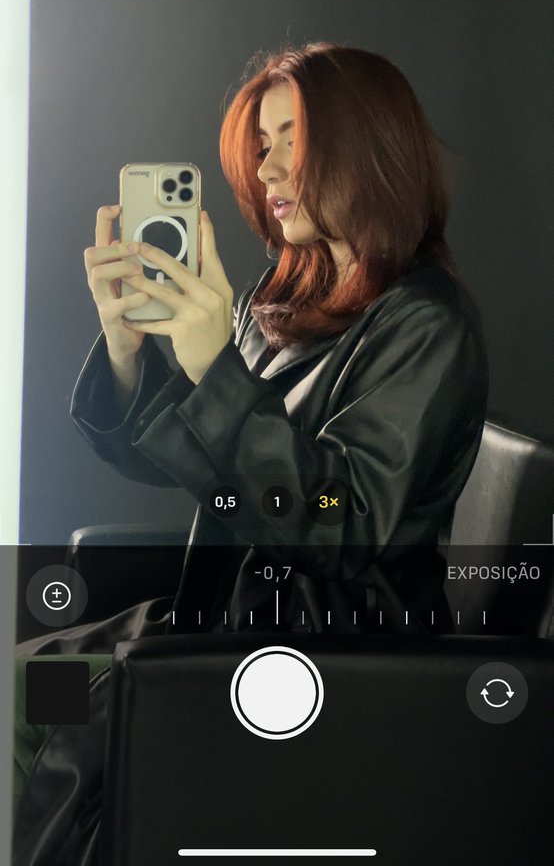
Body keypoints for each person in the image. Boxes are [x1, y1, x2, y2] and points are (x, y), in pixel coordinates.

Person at [13, 42, 489, 864]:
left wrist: (215, 370)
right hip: (220, 613)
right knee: (22, 684)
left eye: (290, 140)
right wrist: (128, 352)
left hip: (324, 651)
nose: (265, 169)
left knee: (65, 729)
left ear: (364, 148)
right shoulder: (283, 294)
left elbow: (343, 525)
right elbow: (195, 459)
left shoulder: (427, 323)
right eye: (261, 144)